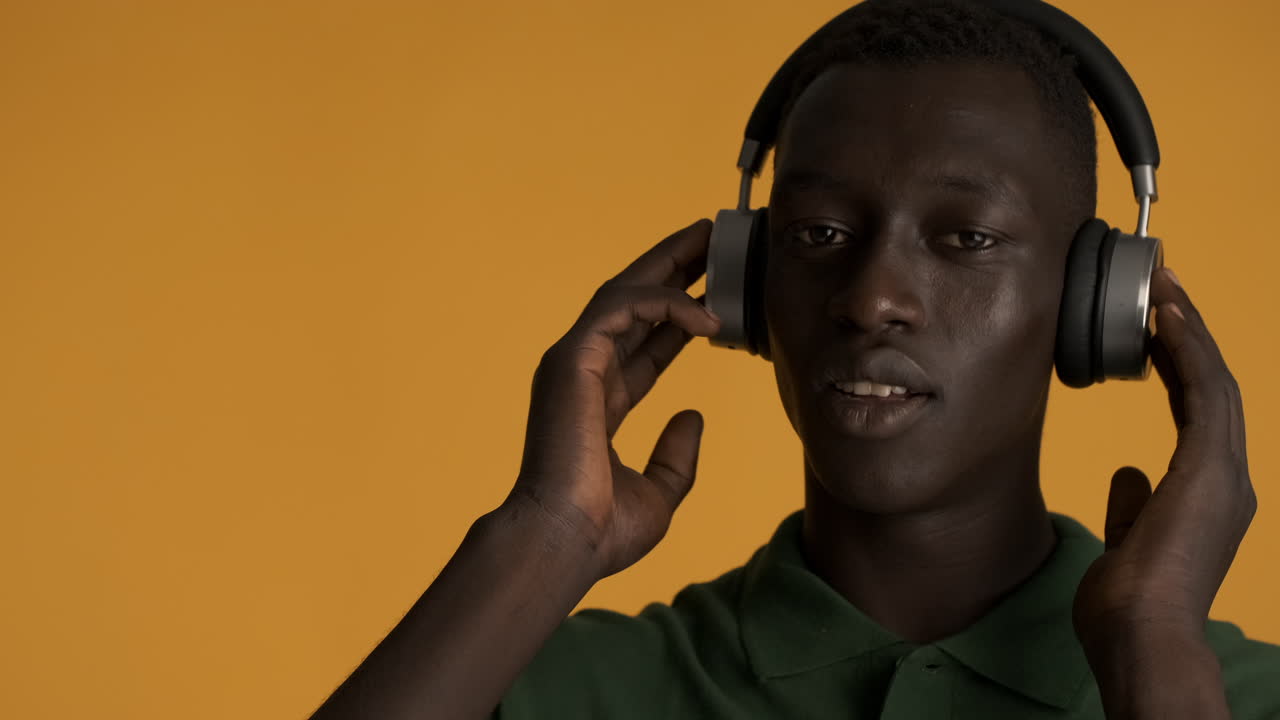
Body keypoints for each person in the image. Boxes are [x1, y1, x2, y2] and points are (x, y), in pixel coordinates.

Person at [310, 0, 1280, 718]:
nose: (869, 299)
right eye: (816, 232)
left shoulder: (1237, 693)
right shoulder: (555, 687)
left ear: (1098, 302)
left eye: (965, 239)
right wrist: (541, 537)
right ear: (745, 285)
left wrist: (1153, 646)